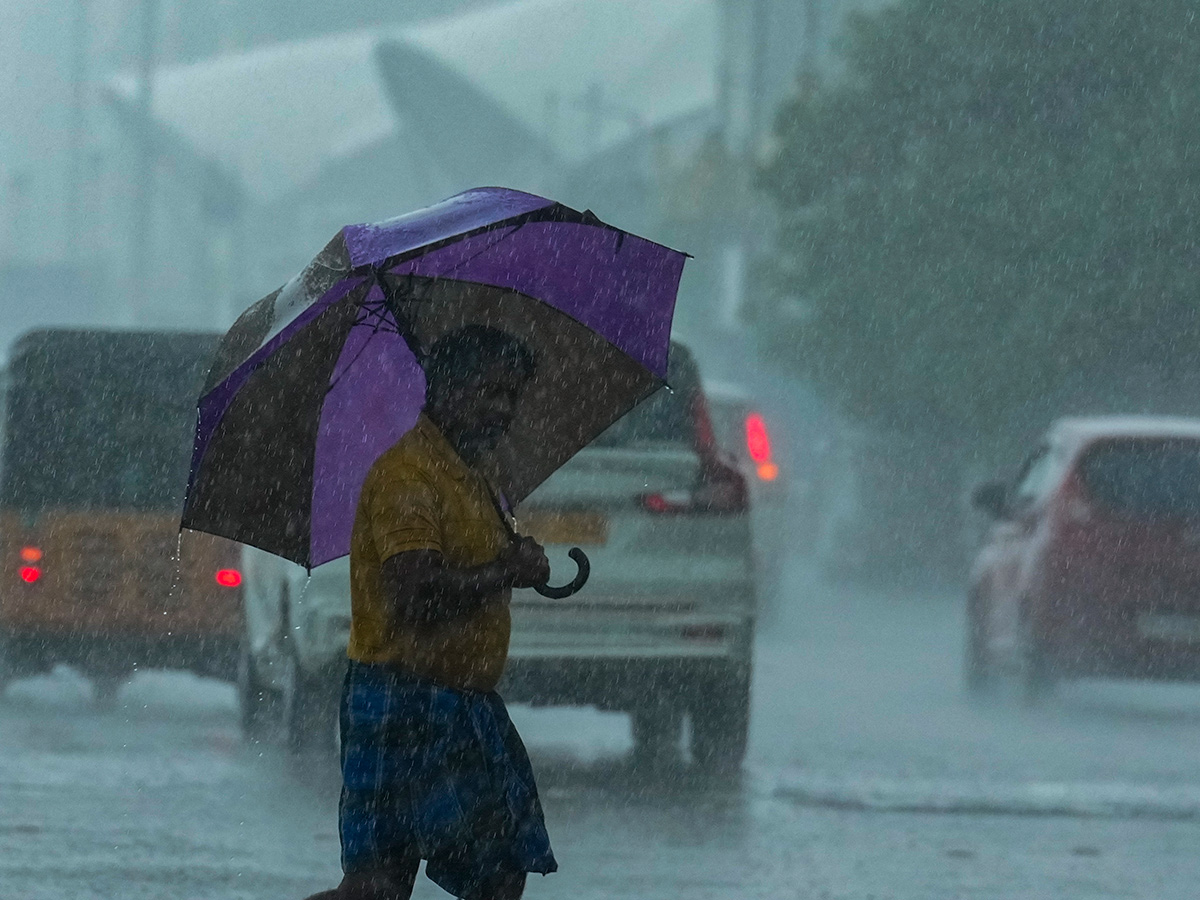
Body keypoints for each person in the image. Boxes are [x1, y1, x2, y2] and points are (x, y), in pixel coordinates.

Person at [305, 325, 557, 900]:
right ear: (444, 387)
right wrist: (505, 572)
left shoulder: (476, 475)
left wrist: (517, 559)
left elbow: (479, 564)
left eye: (511, 396)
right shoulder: (407, 476)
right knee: (386, 887)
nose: (503, 409)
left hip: (463, 700)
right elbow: (416, 592)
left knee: (482, 873)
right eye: (489, 392)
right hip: (403, 697)